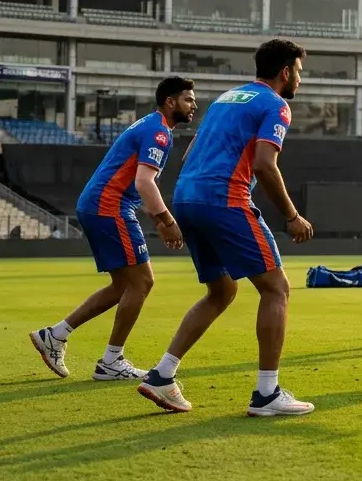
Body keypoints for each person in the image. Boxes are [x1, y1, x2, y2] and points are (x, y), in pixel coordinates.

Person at [136, 39, 317, 417]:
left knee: (221, 290)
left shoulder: (225, 99)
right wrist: (291, 215)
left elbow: (190, 152)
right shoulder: (275, 105)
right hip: (225, 199)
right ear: (285, 72)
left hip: (187, 197)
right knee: (276, 288)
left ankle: (162, 375)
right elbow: (265, 164)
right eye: (299, 71)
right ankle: (266, 394)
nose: (300, 79)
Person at [30, 77, 197, 381]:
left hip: (100, 204)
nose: (193, 105)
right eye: (188, 99)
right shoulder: (159, 132)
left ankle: (55, 335)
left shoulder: (151, 125)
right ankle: (111, 361)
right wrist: (168, 222)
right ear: (170, 102)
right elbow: (144, 183)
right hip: (109, 206)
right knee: (142, 282)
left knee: (124, 285)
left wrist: (157, 221)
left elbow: (138, 185)